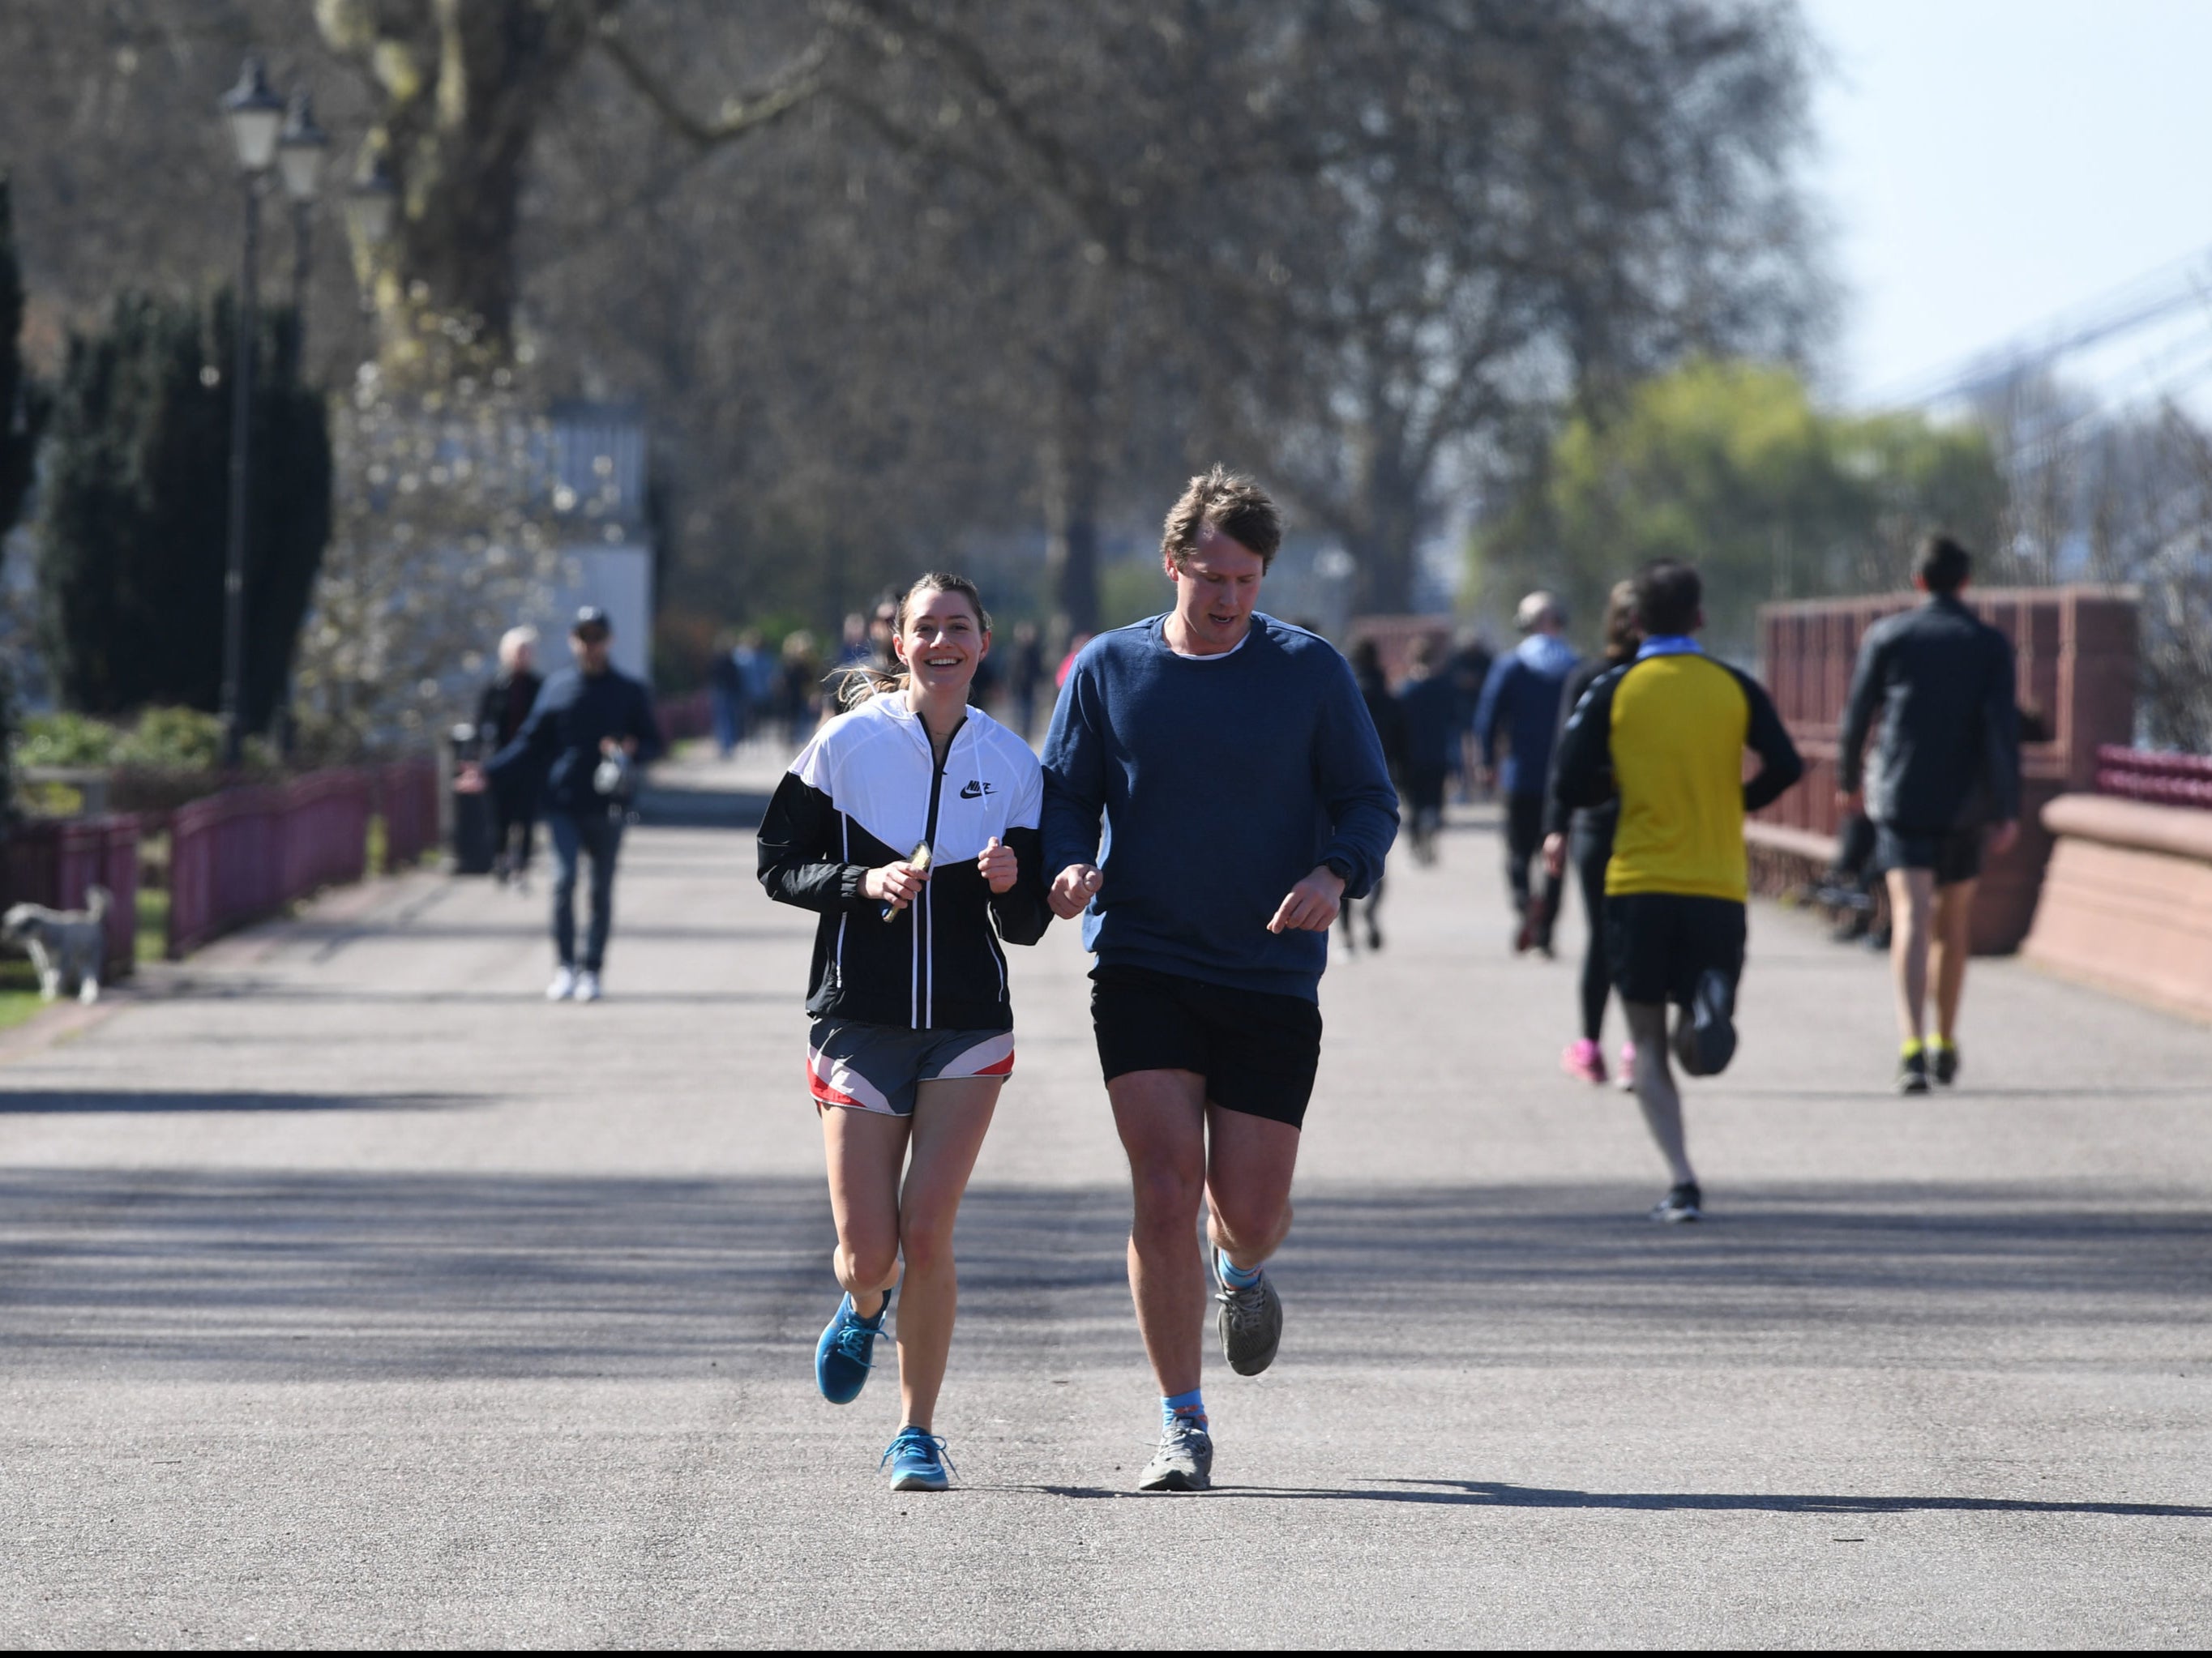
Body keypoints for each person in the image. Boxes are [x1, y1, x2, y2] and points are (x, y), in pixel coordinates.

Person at [1042, 466, 1397, 1492]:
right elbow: (1066, 793)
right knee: (1163, 1187)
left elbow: (1368, 800)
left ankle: (1238, 1267)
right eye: (1210, 577)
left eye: (1245, 579)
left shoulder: (1309, 672)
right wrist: (1068, 862)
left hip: (1268, 970)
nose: (1228, 597)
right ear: (1172, 567)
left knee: (1249, 1209)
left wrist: (1338, 870)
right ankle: (1180, 1421)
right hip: (1144, 957)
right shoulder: (1108, 669)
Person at [757, 573, 1052, 1493]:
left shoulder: (1012, 763)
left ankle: (915, 1432)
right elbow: (776, 864)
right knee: (872, 1251)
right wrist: (860, 884)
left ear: (983, 641)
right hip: (859, 1024)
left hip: (967, 1029)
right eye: (925, 629)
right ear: (899, 644)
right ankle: (859, 1303)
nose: (940, 644)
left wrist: (1014, 885)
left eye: (956, 628)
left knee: (929, 1234)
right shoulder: (843, 747)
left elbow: (1031, 925)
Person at [1552, 560, 1802, 1223]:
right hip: (1716, 883)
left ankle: (1683, 1181)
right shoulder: (1734, 687)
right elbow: (1788, 763)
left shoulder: (1614, 689)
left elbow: (1568, 784)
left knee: (1646, 1038)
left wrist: (1615, 784)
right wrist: (1735, 801)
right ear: (1699, 618)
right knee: (1699, 1030)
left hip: (1638, 883)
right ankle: (1706, 1000)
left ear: (1635, 623)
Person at [1835, 535, 2021, 1095]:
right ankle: (1945, 1038)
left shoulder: (1887, 636)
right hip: (1964, 801)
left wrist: (1847, 781)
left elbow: (1856, 716)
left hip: (1900, 795)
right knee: (1952, 923)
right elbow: (2001, 733)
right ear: (1965, 583)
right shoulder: (1987, 643)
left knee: (1910, 916)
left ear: (1918, 581)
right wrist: (2006, 807)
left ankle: (1910, 1045)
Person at [486, 606, 664, 1003]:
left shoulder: (628, 691)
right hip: (562, 801)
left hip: (610, 805)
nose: (590, 645)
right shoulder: (557, 688)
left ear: (609, 641)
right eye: (584, 637)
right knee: (564, 883)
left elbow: (655, 742)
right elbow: (530, 742)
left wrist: (632, 749)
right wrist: (489, 772)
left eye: (597, 637)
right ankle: (565, 967)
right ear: (573, 641)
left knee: (599, 890)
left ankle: (592, 970)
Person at [1542, 581, 1641, 1086]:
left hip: (1598, 823)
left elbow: (1566, 759)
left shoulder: (1589, 677)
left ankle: (1590, 1046)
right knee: (1641, 936)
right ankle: (1635, 1048)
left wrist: (1556, 827)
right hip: (1652, 824)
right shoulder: (1665, 678)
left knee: (1603, 937)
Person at [1475, 592, 1579, 954]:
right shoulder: (1575, 666)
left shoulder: (1511, 666)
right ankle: (1547, 930)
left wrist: (1486, 761)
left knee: (1518, 853)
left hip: (1520, 775)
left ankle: (1524, 903)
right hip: (1563, 780)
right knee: (1555, 857)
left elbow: (1488, 718)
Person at [1341, 639, 1405, 951]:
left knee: (1337, 860)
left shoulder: (1344, 693)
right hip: (1381, 784)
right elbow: (1402, 740)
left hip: (1338, 785)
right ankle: (1372, 910)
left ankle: (1347, 933)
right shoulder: (1388, 695)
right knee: (1374, 854)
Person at [474, 626, 543, 887]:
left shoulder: (539, 687)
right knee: (501, 816)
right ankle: (500, 858)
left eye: (526, 651)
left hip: (529, 764)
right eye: (518, 651)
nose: (522, 656)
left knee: (525, 817)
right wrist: (480, 756)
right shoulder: (495, 687)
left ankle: (522, 864)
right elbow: (482, 723)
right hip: (499, 763)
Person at [1396, 635, 1458, 865]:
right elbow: (1453, 721)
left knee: (1414, 803)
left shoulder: (1405, 689)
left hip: (1410, 756)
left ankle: (1416, 841)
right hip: (1437, 753)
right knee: (1433, 800)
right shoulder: (1443, 688)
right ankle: (1430, 828)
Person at [708, 631, 747, 758]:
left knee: (723, 720)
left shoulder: (720, 660)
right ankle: (727, 745)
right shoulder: (730, 661)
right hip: (727, 692)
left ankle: (725, 745)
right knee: (728, 720)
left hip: (722, 692)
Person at [1009, 622, 1047, 741]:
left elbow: (1039, 669)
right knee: (1018, 712)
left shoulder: (1034, 651)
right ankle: (1018, 734)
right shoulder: (1015, 651)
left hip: (1030, 687)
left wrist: (1041, 682)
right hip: (1018, 687)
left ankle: (1026, 734)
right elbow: (1011, 669)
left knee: (1029, 712)